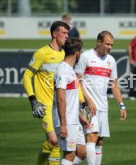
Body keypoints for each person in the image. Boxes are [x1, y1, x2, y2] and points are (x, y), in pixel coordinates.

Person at [75, 30, 127, 165]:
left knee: (99, 141)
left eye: (112, 45)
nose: (110, 47)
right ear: (99, 42)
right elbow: (77, 81)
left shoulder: (111, 61)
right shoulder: (85, 56)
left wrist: (121, 105)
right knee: (92, 136)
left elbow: (114, 85)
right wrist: (88, 100)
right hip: (87, 105)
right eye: (107, 44)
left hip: (103, 105)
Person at [22, 21, 69, 165]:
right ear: (55, 34)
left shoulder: (65, 54)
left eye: (68, 33)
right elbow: (26, 76)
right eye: (64, 33)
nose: (67, 36)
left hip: (60, 105)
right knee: (53, 140)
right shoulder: (42, 53)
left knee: (56, 143)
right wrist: (33, 101)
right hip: (45, 104)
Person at [53, 37, 86, 165]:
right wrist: (63, 125)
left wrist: (79, 116)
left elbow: (70, 98)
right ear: (77, 53)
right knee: (69, 155)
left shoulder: (70, 70)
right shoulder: (62, 70)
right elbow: (60, 99)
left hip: (74, 120)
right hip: (66, 121)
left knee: (82, 152)